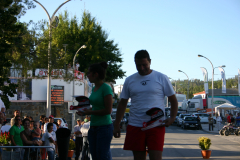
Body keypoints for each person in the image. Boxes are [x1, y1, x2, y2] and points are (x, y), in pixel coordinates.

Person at [113, 50, 178, 160]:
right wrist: (116, 124)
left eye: (145, 65)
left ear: (150, 62)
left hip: (157, 124)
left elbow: (173, 100)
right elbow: (122, 104)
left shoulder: (161, 77)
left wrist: (172, 118)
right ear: (134, 63)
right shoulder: (129, 80)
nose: (142, 68)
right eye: (138, 65)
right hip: (135, 124)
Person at [77, 61, 114, 160]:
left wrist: (91, 112)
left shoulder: (106, 88)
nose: (87, 75)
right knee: (94, 156)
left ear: (95, 74)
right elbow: (96, 107)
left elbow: (108, 110)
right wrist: (84, 111)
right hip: (93, 127)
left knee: (102, 157)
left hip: (104, 127)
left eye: (89, 73)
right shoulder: (94, 88)